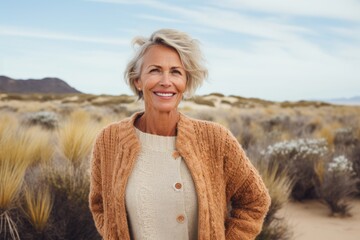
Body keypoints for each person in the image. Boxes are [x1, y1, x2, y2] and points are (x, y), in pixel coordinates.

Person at [89, 29, 270, 240]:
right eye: (155, 70)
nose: (166, 81)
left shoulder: (216, 139)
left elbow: (255, 200)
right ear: (138, 80)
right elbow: (100, 205)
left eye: (175, 72)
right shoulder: (110, 140)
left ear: (186, 81)